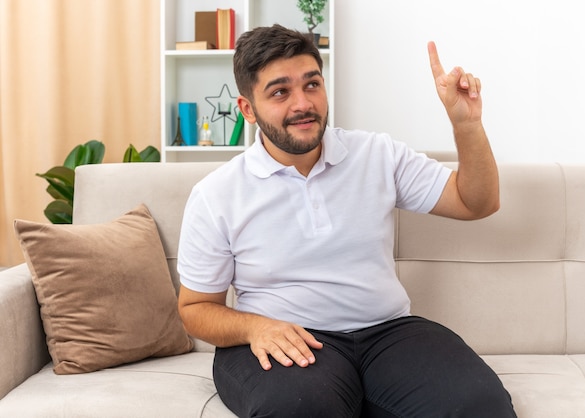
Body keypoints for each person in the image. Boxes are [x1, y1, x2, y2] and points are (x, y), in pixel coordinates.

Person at [177, 24, 516, 417]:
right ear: (248, 109)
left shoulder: (376, 154)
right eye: (280, 91)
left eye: (312, 84)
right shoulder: (217, 194)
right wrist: (256, 328)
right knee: (301, 408)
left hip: (388, 332)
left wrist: (466, 124)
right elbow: (196, 308)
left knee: (480, 404)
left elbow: (477, 202)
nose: (302, 103)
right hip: (285, 338)